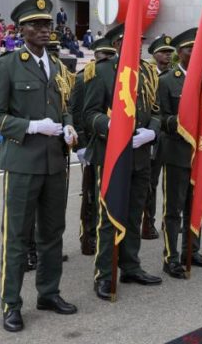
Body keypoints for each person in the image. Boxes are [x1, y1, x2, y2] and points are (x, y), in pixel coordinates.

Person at [0, 0, 78, 332]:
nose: (42, 30)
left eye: (46, 24)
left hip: (54, 163)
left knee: (52, 233)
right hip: (22, 162)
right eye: (34, 25)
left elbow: (62, 105)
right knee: (17, 237)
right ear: (20, 30)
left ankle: (48, 293)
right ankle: (11, 304)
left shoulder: (57, 63)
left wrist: (67, 123)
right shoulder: (5, 65)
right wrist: (33, 127)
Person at [83, 24, 163, 301]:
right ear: (117, 44)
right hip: (112, 156)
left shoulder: (147, 72)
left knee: (133, 213)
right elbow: (90, 114)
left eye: (140, 41)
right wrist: (113, 128)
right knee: (109, 217)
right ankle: (104, 274)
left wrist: (152, 130)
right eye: (132, 41)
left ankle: (131, 265)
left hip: (140, 154)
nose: (137, 46)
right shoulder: (102, 71)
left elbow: (155, 110)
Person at [158, 28, 202, 278]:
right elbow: (160, 118)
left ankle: (191, 250)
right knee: (174, 209)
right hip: (177, 153)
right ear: (179, 53)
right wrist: (183, 123)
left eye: (197, 48)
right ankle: (171, 257)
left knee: (196, 203)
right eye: (190, 49)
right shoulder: (167, 81)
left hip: (199, 154)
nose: (194, 53)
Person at [70, 38, 117, 256]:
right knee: (88, 194)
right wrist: (80, 146)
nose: (104, 60)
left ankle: (98, 235)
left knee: (99, 195)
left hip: (104, 142)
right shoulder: (84, 76)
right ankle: (86, 236)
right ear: (95, 55)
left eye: (108, 55)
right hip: (89, 144)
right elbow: (77, 113)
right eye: (101, 55)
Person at [142, 34, 175, 240]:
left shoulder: (173, 75)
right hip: (153, 135)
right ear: (154, 53)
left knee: (172, 181)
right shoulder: (147, 73)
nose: (168, 56)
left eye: (170, 52)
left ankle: (169, 219)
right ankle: (148, 222)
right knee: (150, 183)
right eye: (164, 52)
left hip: (170, 136)